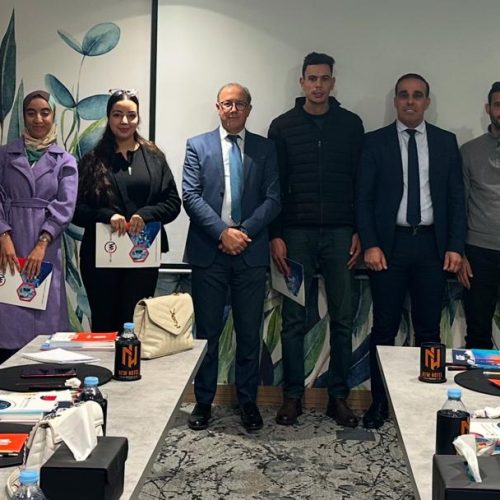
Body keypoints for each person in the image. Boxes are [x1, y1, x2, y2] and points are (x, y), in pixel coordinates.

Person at [356, 73, 466, 429]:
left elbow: (456, 199)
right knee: (384, 329)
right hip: (390, 247)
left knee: (429, 331)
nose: (410, 101)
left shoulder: (446, 142)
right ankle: (379, 403)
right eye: (403, 95)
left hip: (432, 247)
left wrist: (455, 246)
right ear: (395, 101)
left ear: (427, 102)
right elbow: (363, 199)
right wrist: (371, 244)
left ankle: (425, 405)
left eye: (417, 95)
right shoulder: (375, 142)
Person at [268, 52, 364, 427]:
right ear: (302, 82)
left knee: (342, 318)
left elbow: (360, 182)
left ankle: (338, 398)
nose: (318, 85)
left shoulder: (351, 125)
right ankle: (292, 397)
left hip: (340, 234)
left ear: (333, 83)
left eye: (325, 79)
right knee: (294, 319)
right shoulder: (283, 126)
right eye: (312, 78)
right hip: (295, 235)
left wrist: (359, 230)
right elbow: (274, 185)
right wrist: (276, 234)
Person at [183, 83, 280, 431]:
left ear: (249, 109)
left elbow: (273, 199)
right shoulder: (197, 145)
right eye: (227, 103)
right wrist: (223, 233)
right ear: (218, 107)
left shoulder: (266, 148)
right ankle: (203, 402)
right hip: (209, 252)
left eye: (239, 104)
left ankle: (248, 402)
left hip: (250, 253)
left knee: (249, 333)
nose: (233, 109)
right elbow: (190, 196)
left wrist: (243, 233)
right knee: (207, 334)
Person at [73, 90, 181, 332]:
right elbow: (76, 210)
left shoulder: (154, 156)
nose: (124, 121)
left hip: (143, 257)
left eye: (131, 115)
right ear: (108, 117)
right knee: (104, 326)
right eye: (117, 114)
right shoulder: (92, 160)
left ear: (138, 118)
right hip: (101, 259)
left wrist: (146, 214)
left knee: (135, 327)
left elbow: (173, 203)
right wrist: (107, 216)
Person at [0, 90, 77, 363]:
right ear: (23, 117)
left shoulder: (65, 160)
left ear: (53, 116)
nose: (38, 119)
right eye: (31, 113)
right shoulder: (4, 155)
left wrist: (43, 242)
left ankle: (44, 375)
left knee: (46, 314)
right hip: (8, 243)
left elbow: (66, 205)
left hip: (47, 246)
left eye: (45, 112)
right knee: (8, 311)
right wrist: (3, 236)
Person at [458, 81, 500, 349]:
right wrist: (460, 252)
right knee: (478, 331)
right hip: (479, 253)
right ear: (488, 108)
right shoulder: (470, 151)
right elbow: (459, 205)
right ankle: (478, 378)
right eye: (498, 105)